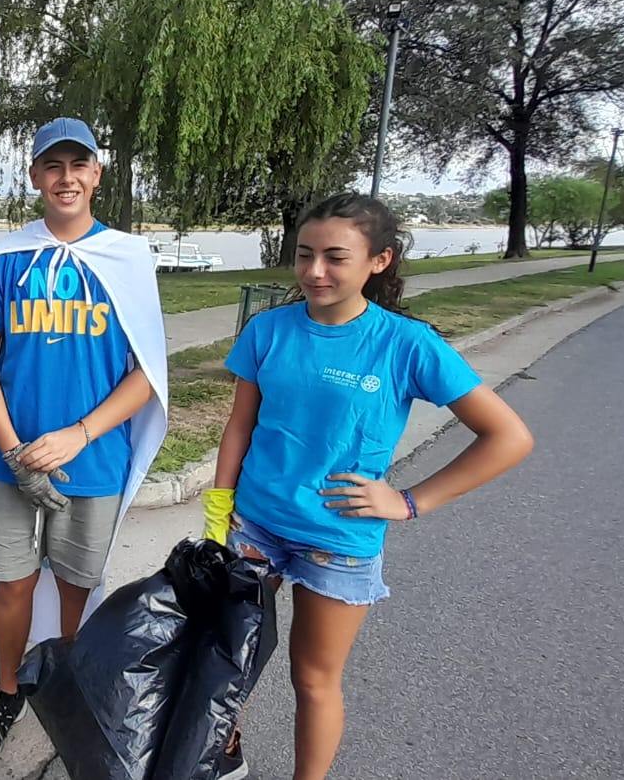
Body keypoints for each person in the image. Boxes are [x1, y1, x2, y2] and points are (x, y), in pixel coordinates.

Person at [201, 192, 534, 780]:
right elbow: (240, 425)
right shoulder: (267, 329)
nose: (314, 271)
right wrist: (218, 507)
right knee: (231, 658)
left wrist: (409, 502)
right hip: (253, 523)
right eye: (304, 255)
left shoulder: (407, 344)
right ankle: (223, 752)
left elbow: (508, 437)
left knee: (313, 678)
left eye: (335, 257)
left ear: (378, 262)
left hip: (338, 538)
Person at [0, 117, 170, 763]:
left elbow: (146, 375)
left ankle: (71, 688)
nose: (66, 177)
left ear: (97, 174)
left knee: (78, 584)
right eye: (53, 165)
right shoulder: (4, 260)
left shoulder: (129, 260)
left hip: (93, 459)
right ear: (35, 176)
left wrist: (79, 434)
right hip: (7, 461)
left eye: (78, 165)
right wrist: (15, 452)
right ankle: (8, 690)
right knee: (13, 584)